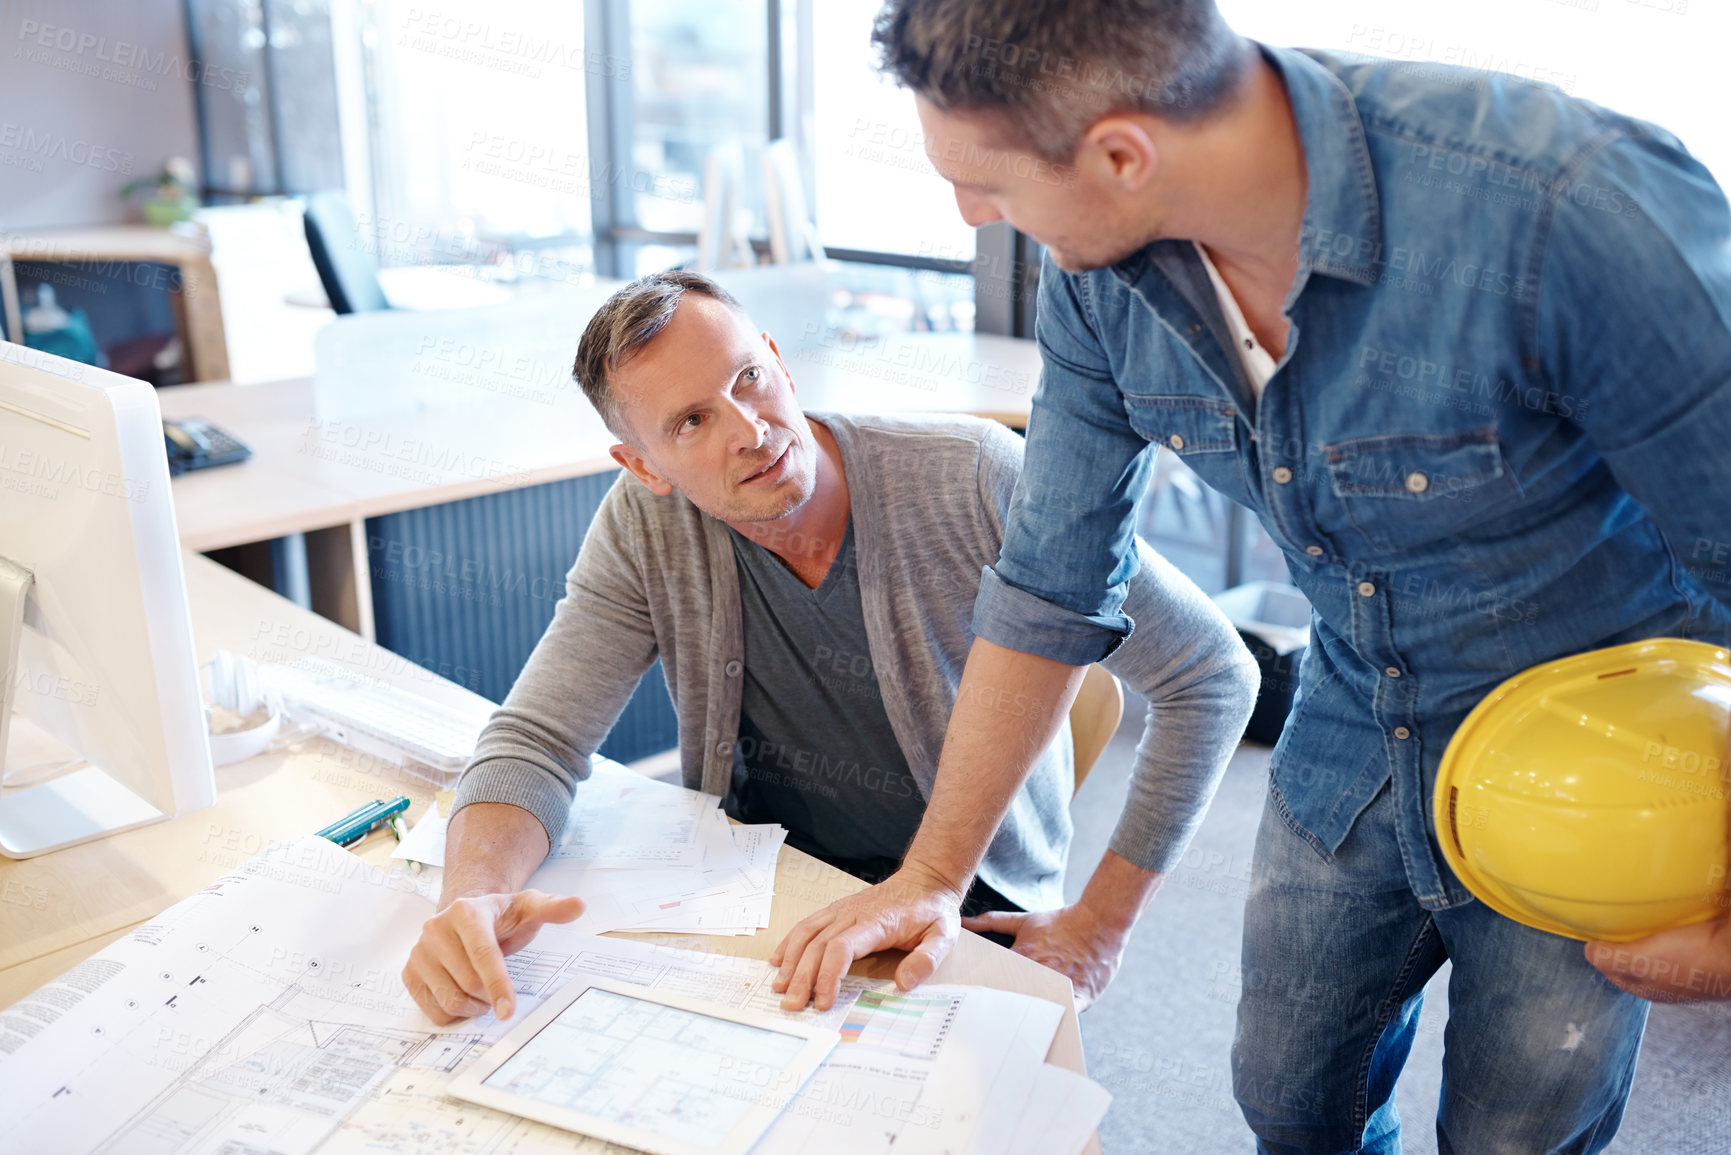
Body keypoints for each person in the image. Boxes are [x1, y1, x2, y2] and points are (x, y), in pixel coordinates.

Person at [768, 2, 1731, 1151]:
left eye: (990, 186)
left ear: (1124, 155)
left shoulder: (1567, 207)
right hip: (1351, 712)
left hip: (1600, 752)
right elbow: (1050, 586)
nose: (973, 216)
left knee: (1518, 1128)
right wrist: (933, 874)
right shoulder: (1101, 277)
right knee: (1287, 1095)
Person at [400, 270, 1257, 1026]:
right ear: (644, 465)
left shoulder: (973, 477)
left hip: (965, 906)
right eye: (692, 420)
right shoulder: (645, 524)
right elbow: (537, 740)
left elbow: (1211, 676)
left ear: (778, 356)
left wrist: (1100, 925)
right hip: (770, 894)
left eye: (749, 377)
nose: (749, 428)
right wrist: (473, 895)